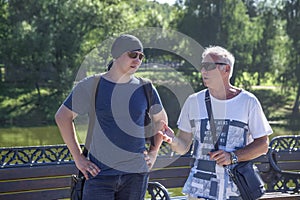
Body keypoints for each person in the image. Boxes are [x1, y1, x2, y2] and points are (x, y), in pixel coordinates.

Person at [55, 34, 168, 200]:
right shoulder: (92, 85)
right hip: (99, 176)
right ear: (116, 55)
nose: (137, 60)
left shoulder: (146, 87)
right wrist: (78, 158)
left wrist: (153, 153)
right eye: (132, 55)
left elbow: (161, 121)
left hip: (135, 176)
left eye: (141, 56)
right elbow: (62, 117)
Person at [160, 46, 273, 199]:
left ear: (226, 69)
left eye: (209, 66)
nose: (203, 71)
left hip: (236, 191)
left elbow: (263, 145)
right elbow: (183, 147)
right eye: (202, 66)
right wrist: (172, 140)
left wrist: (233, 156)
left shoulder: (248, 101)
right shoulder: (193, 102)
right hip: (199, 191)